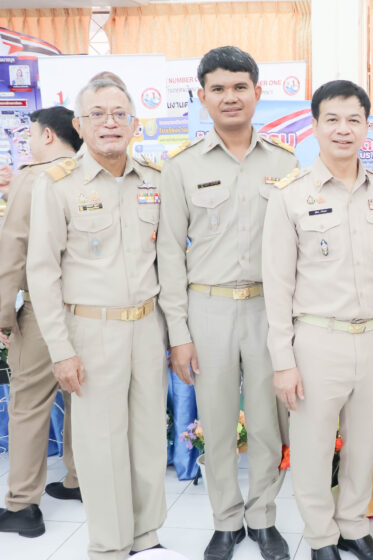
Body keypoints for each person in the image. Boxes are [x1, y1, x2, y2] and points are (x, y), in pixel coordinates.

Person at [157, 46, 298, 560]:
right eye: (218, 88)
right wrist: (179, 334)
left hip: (267, 309)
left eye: (240, 87)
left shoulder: (285, 162)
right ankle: (225, 521)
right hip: (207, 310)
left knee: (265, 423)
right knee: (216, 423)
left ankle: (263, 518)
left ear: (258, 92)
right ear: (202, 97)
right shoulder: (182, 166)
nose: (230, 97)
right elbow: (169, 254)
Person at [264, 80, 373, 560]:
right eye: (333, 119)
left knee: (364, 443)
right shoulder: (290, 196)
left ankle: (352, 526)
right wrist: (283, 360)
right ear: (315, 126)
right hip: (316, 340)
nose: (343, 129)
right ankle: (321, 537)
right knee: (312, 447)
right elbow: (277, 286)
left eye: (354, 120)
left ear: (367, 126)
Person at [26, 79, 168, 558]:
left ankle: (146, 538)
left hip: (147, 326)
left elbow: (167, 261)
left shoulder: (153, 180)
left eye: (120, 113)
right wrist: (61, 351)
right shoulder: (58, 185)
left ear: (134, 123)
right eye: (98, 114)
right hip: (91, 329)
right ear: (79, 125)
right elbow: (42, 273)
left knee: (149, 439)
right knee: (101, 445)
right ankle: (110, 545)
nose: (110, 122)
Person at [0, 106, 83, 538]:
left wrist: (2, 314)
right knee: (81, 396)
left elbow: (12, 249)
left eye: (30, 134)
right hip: (88, 311)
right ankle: (79, 479)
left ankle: (22, 506)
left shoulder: (33, 178)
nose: (28, 142)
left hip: (41, 311)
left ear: (48, 135)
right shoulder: (91, 173)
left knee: (29, 405)